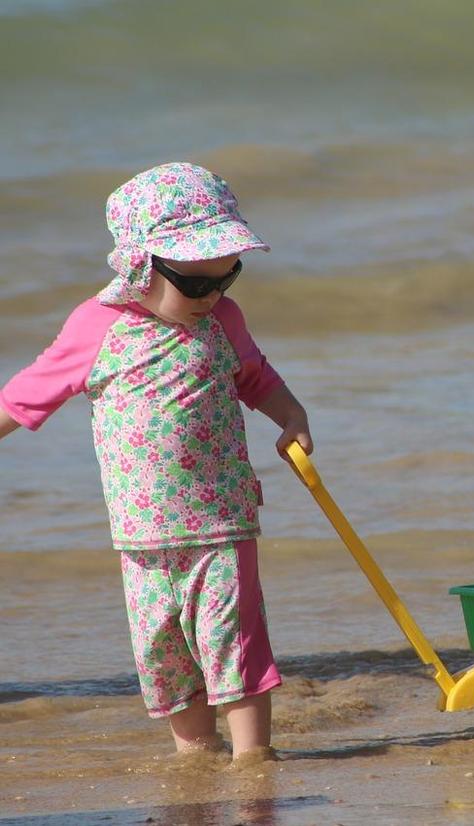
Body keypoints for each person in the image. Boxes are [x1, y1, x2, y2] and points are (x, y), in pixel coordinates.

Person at [0, 162, 312, 761]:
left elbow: (256, 377)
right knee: (162, 651)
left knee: (234, 643)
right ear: (141, 266)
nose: (214, 294)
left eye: (229, 277)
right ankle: (196, 753)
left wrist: (292, 416)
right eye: (196, 284)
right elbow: (24, 394)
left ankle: (253, 759)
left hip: (222, 520)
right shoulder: (99, 327)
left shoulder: (224, 321)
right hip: (141, 535)